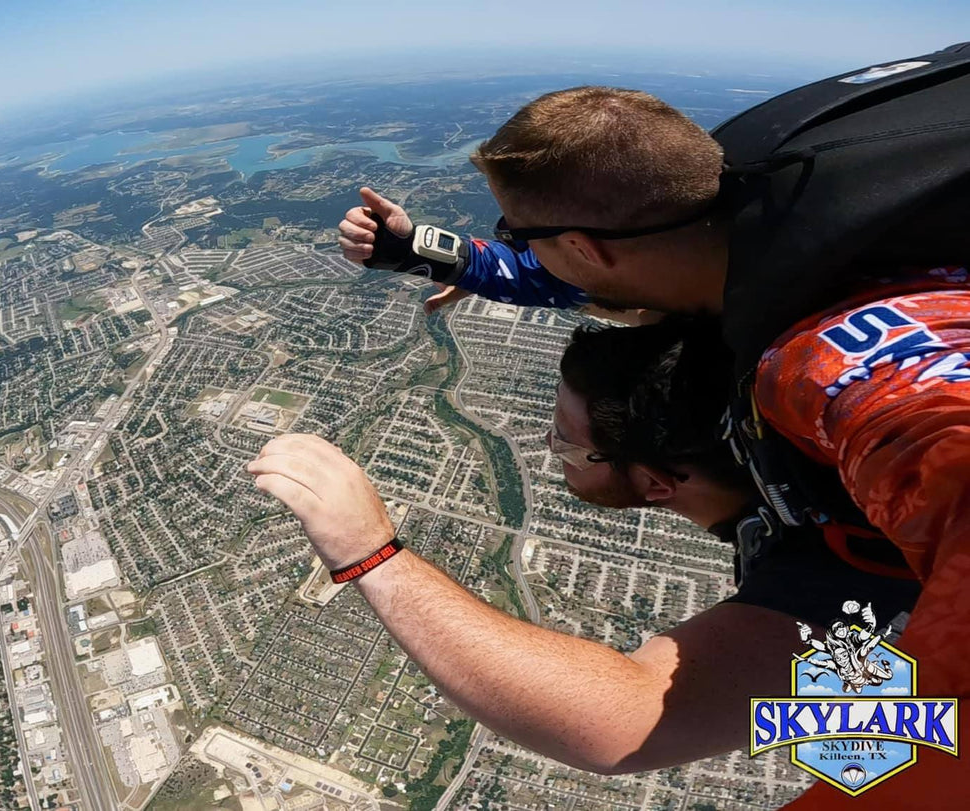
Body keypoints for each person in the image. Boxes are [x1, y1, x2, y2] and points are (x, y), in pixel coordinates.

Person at [336, 46, 970, 806]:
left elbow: (629, 721)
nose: (513, 246)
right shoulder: (753, 201)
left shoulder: (837, 372)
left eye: (515, 231)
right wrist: (446, 258)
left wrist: (363, 549)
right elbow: (597, 262)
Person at [247, 318, 919, 774]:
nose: (548, 447)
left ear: (655, 484)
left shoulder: (842, 564)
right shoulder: (815, 467)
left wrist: (370, 552)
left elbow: (622, 722)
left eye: (567, 444)